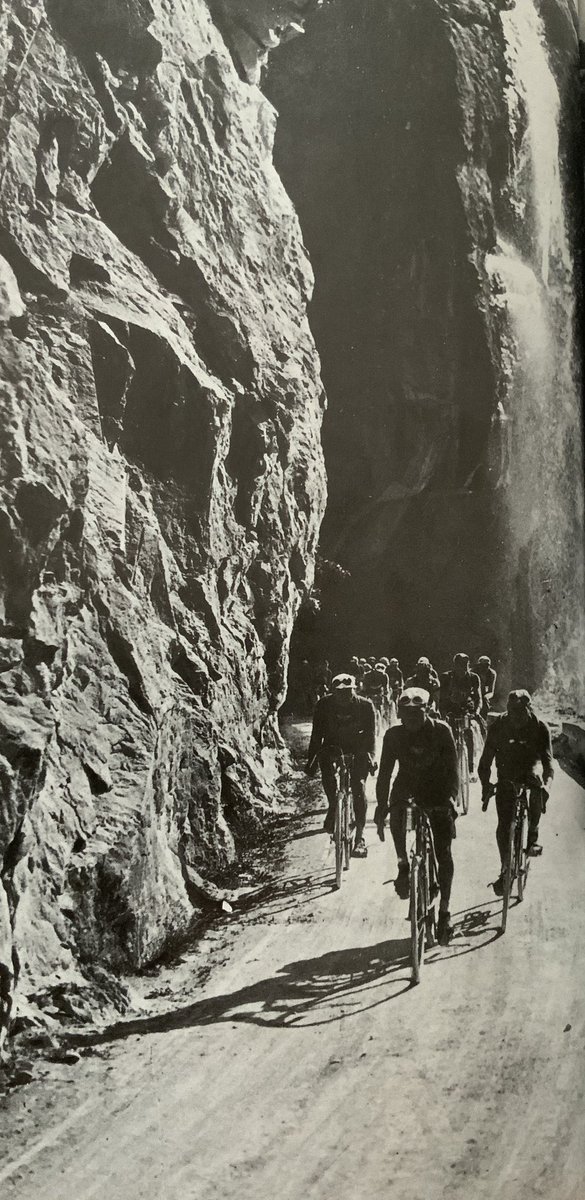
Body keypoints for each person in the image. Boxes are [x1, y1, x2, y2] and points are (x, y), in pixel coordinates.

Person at [374, 687, 459, 945]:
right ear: (400, 714)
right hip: (408, 788)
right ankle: (403, 864)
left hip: (438, 790)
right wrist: (381, 807)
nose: (410, 719)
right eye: (406, 714)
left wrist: (450, 801)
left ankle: (444, 911)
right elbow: (385, 773)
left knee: (443, 852)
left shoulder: (442, 731)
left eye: (416, 713)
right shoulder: (393, 736)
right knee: (398, 814)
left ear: (427, 710)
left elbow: (453, 770)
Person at [478, 690, 554, 894]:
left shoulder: (539, 727)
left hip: (531, 768)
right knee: (503, 824)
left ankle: (533, 836)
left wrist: (546, 786)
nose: (515, 717)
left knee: (537, 784)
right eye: (511, 711)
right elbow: (484, 762)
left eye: (519, 712)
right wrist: (486, 786)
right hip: (507, 774)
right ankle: (506, 868)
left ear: (528, 709)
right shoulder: (499, 726)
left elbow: (548, 764)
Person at [306, 673, 376, 858]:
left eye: (348, 692)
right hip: (332, 747)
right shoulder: (323, 705)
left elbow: (371, 736)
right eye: (339, 693)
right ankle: (333, 806)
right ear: (333, 692)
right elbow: (316, 736)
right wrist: (311, 760)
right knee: (327, 773)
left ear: (354, 690)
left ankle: (359, 837)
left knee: (358, 787)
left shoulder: (366, 706)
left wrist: (371, 758)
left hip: (358, 748)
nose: (344, 697)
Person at [439, 653, 483, 775]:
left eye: (466, 664)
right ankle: (447, 765)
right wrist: (442, 714)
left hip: (466, 709)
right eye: (460, 665)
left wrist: (476, 712)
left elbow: (478, 698)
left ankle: (470, 767)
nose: (463, 667)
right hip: (450, 709)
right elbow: (441, 698)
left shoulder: (474, 678)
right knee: (447, 736)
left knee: (469, 733)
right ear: (455, 665)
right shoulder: (446, 677)